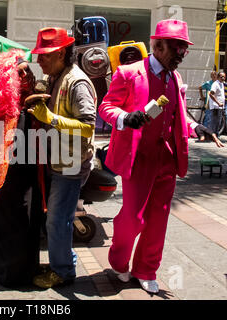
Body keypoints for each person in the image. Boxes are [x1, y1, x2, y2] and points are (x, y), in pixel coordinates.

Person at [98, 19, 223, 294]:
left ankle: (146, 268)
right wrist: (125, 117)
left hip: (167, 157)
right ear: (157, 45)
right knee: (133, 218)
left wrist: (196, 127)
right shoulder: (129, 73)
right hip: (139, 157)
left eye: (184, 48)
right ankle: (119, 261)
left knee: (159, 218)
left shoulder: (174, 77)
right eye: (176, 47)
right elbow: (106, 107)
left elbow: (179, 116)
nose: (181, 53)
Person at [27, 27, 97, 288]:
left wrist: (51, 119)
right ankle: (64, 259)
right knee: (57, 219)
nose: (39, 60)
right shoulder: (58, 76)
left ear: (61, 53)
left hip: (71, 164)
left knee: (57, 220)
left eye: (44, 55)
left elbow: (89, 125)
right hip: (59, 161)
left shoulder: (76, 82)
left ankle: (63, 272)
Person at [0, 50, 44, 288]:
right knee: (10, 227)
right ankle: (13, 275)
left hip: (28, 180)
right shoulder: (3, 110)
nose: (26, 75)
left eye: (28, 70)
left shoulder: (35, 101)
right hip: (6, 184)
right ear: (7, 79)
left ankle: (28, 271)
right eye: (19, 72)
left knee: (29, 224)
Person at [209, 71, 226, 137]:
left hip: (220, 107)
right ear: (218, 77)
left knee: (218, 122)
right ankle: (213, 136)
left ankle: (215, 136)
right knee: (214, 122)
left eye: (224, 77)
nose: (223, 78)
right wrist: (218, 103)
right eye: (221, 77)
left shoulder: (221, 84)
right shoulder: (215, 84)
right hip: (215, 106)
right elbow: (211, 94)